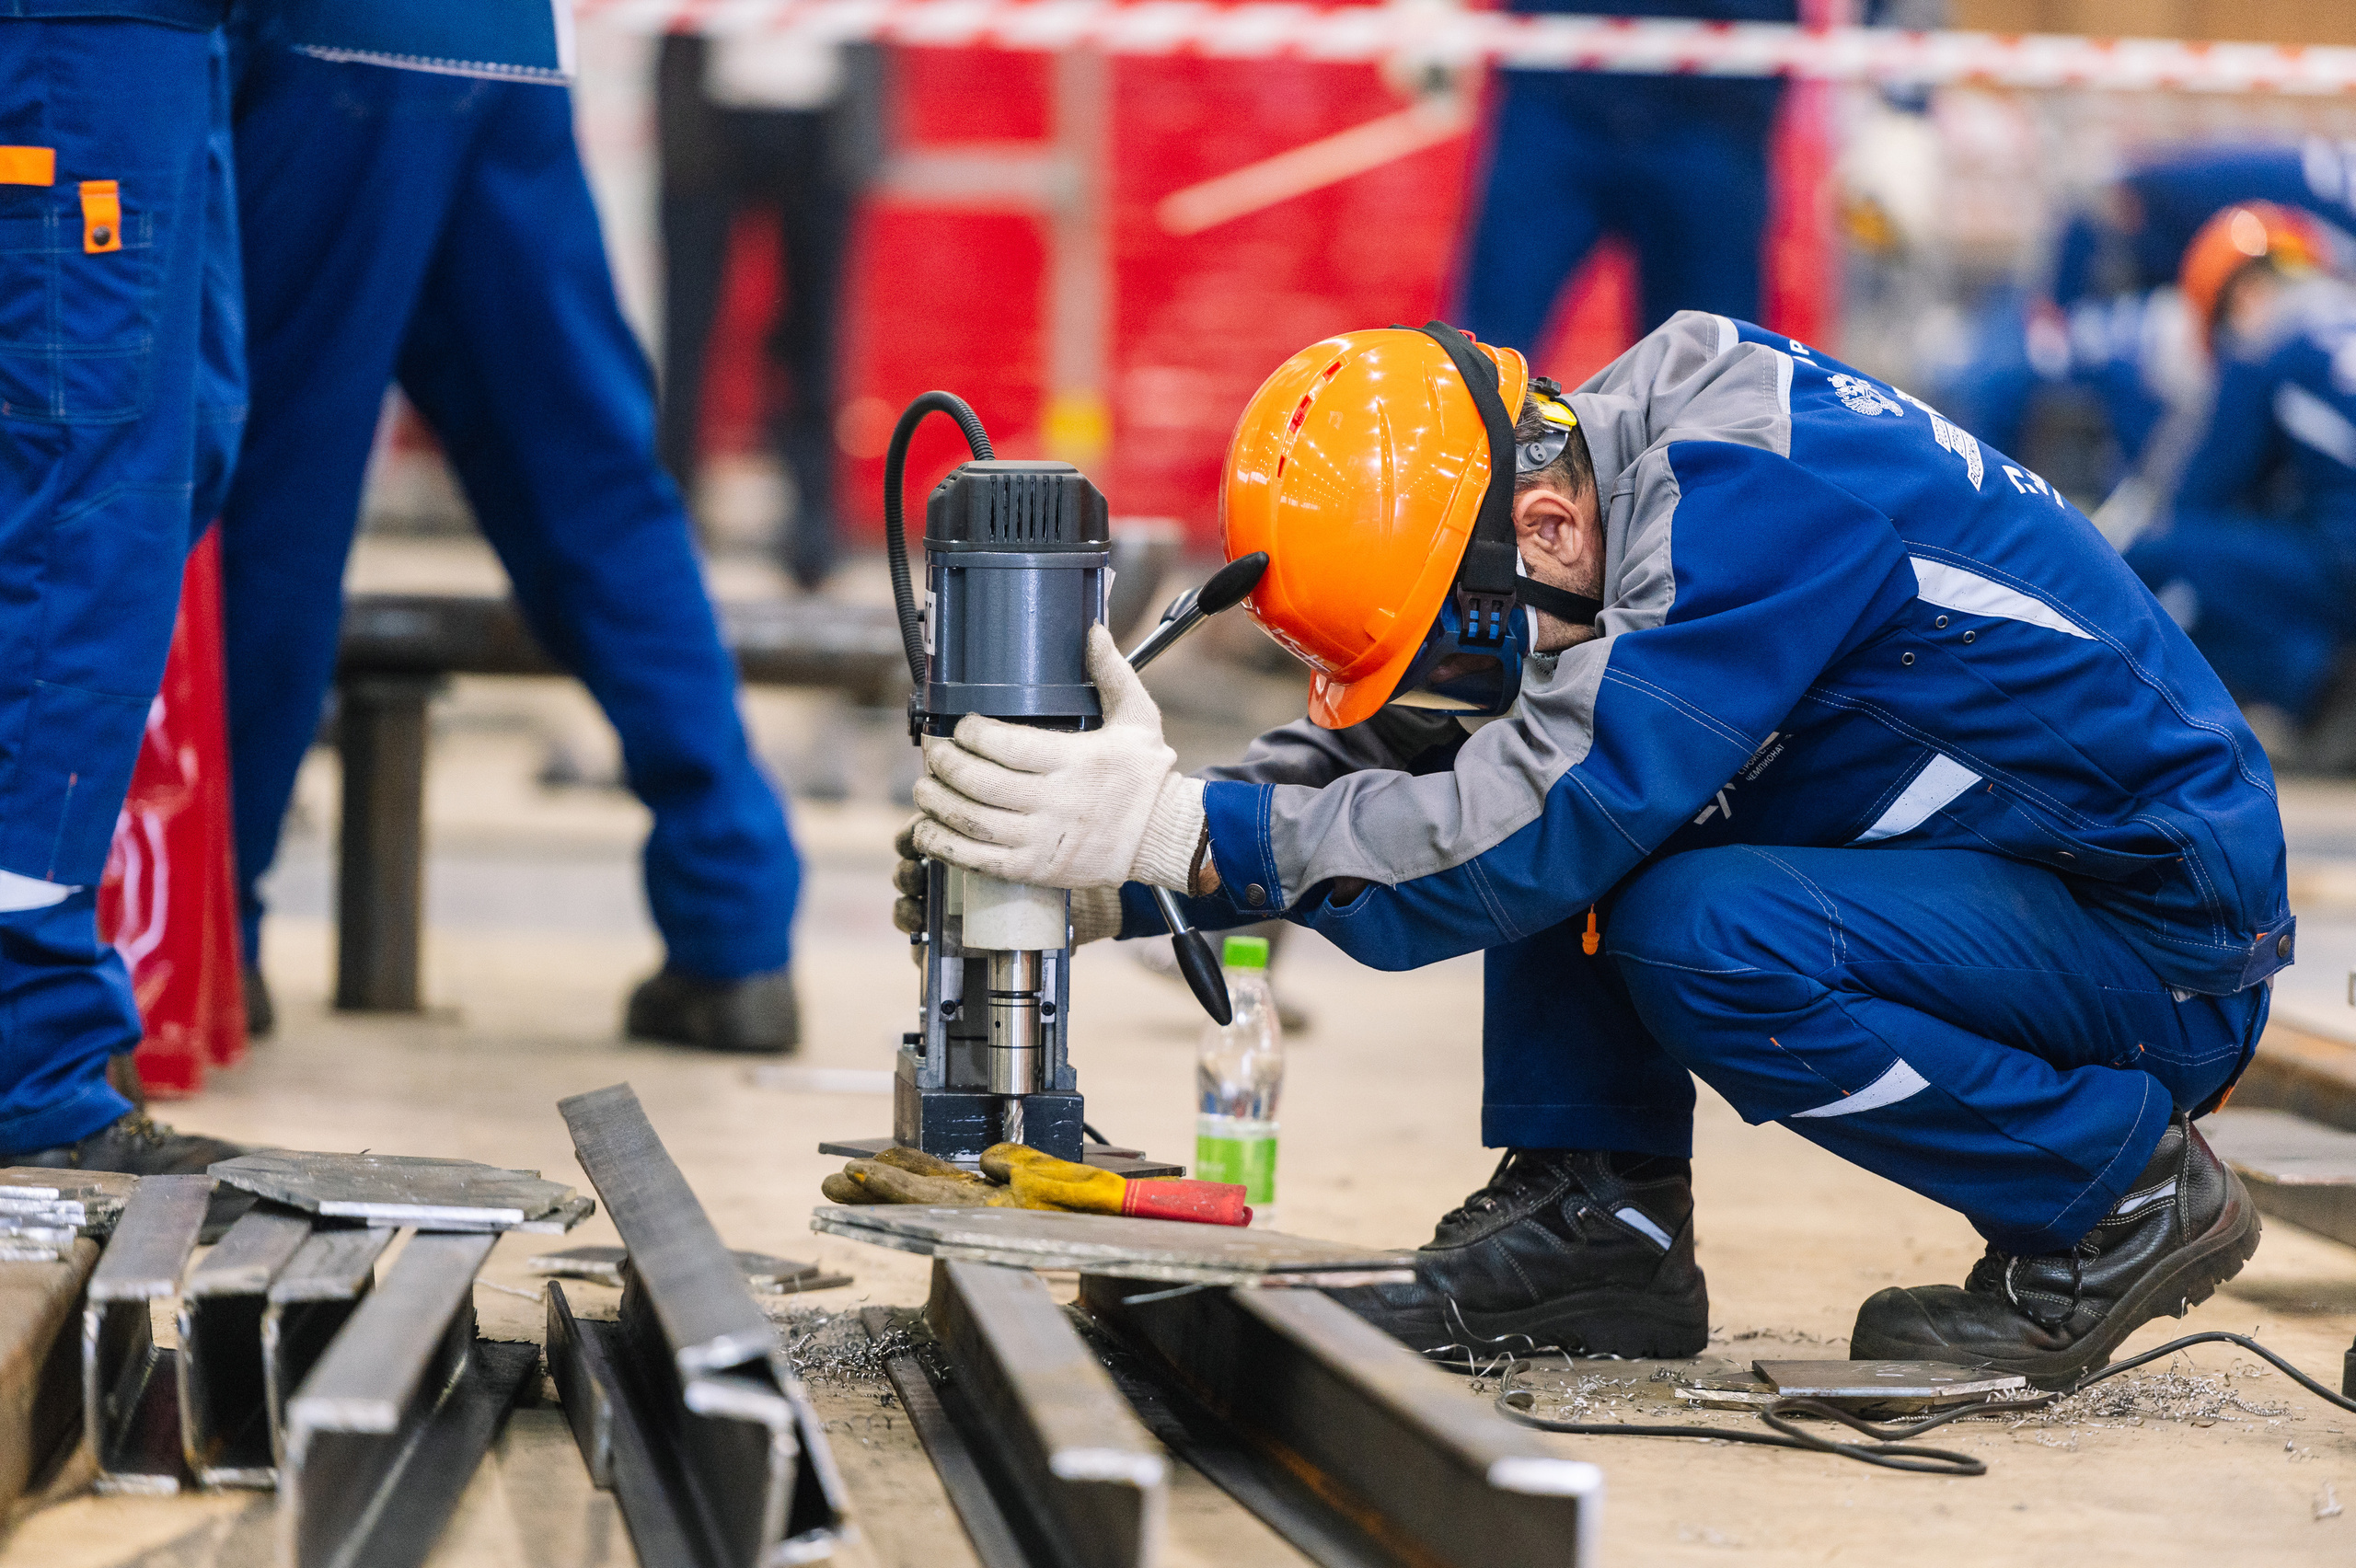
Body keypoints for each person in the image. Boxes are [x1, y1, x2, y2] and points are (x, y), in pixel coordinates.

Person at [903, 314, 2284, 1388]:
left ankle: (2119, 1193)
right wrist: (1116, 864)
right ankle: (1601, 1227)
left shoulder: (1748, 512)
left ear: (1549, 527)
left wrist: (1189, 839)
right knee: (1540, 738)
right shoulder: (1587, 476)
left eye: (1453, 651)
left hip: (2151, 943)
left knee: (1696, 922)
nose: (1456, 692)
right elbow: (1473, 743)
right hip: (2008, 876)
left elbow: (1546, 804)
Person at [221, 38, 805, 1053]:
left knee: (274, 484)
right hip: (504, 41)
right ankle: (733, 925)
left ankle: (205, 933)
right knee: (591, 477)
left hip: (326, 36)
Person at [0, 8, 250, 1178]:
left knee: (183, 445)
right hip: (74, 31)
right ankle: (24, 1058)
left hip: (167, 34)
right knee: (79, 514)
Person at [2124, 202, 2356, 767]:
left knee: (2156, 561)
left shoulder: (2267, 340)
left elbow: (2199, 495)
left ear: (2241, 296)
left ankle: (2320, 690)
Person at [653, 32, 881, 590]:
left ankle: (814, 528)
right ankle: (662, 523)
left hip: (823, 117)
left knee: (814, 336)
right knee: (686, 331)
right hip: (707, 110)